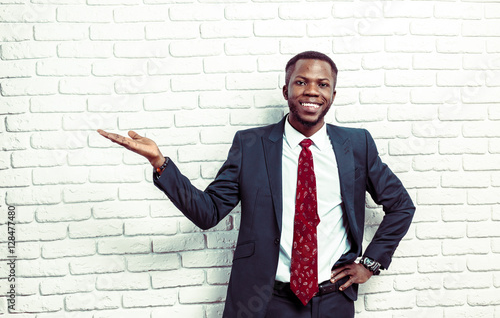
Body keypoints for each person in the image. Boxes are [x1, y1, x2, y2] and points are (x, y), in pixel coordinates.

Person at [98, 51, 415, 318]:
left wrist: (371, 264)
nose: (311, 91)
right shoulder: (251, 145)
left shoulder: (356, 145)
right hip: (265, 302)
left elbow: (401, 205)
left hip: (333, 300)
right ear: (285, 90)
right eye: (301, 82)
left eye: (323, 84)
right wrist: (160, 163)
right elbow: (208, 213)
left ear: (333, 93)